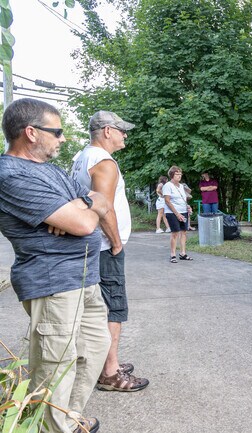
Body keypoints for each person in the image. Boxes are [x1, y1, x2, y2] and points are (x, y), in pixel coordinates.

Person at [0, 98, 112, 433]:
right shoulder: (10, 175)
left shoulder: (49, 170)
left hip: (84, 278)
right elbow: (83, 225)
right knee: (54, 367)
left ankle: (67, 420)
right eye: (57, 131)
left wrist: (84, 203)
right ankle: (52, 426)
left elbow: (101, 200)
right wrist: (84, 211)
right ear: (31, 133)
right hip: (53, 284)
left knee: (94, 349)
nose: (63, 139)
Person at [71, 110, 149, 393]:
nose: (124, 134)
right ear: (106, 131)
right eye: (120, 130)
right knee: (115, 306)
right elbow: (104, 208)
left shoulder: (81, 157)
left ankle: (107, 362)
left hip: (89, 244)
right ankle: (110, 373)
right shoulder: (104, 162)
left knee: (99, 307)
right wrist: (116, 242)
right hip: (103, 246)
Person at [163, 166, 193, 262]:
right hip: (172, 212)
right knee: (175, 233)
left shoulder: (181, 186)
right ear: (172, 175)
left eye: (180, 174)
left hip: (183, 211)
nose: (179, 176)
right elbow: (167, 201)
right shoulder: (167, 186)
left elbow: (182, 199)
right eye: (177, 174)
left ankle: (183, 253)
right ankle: (173, 254)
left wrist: (187, 207)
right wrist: (177, 214)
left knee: (183, 232)